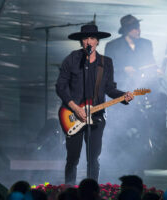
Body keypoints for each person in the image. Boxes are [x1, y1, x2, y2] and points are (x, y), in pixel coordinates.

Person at [56, 24, 134, 185]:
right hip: (72, 114)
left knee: (93, 158)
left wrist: (123, 96)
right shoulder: (72, 59)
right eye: (85, 38)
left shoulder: (106, 63)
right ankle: (69, 190)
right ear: (81, 42)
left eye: (92, 38)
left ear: (97, 41)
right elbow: (61, 86)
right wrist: (76, 108)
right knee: (73, 158)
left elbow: (110, 89)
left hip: (96, 116)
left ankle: (92, 192)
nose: (88, 41)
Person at [105, 14, 167, 154]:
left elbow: (151, 63)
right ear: (127, 30)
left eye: (138, 27)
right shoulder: (113, 46)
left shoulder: (146, 44)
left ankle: (155, 141)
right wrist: (123, 69)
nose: (138, 30)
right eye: (135, 28)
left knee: (162, 99)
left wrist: (156, 70)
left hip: (142, 89)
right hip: (121, 89)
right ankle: (120, 148)